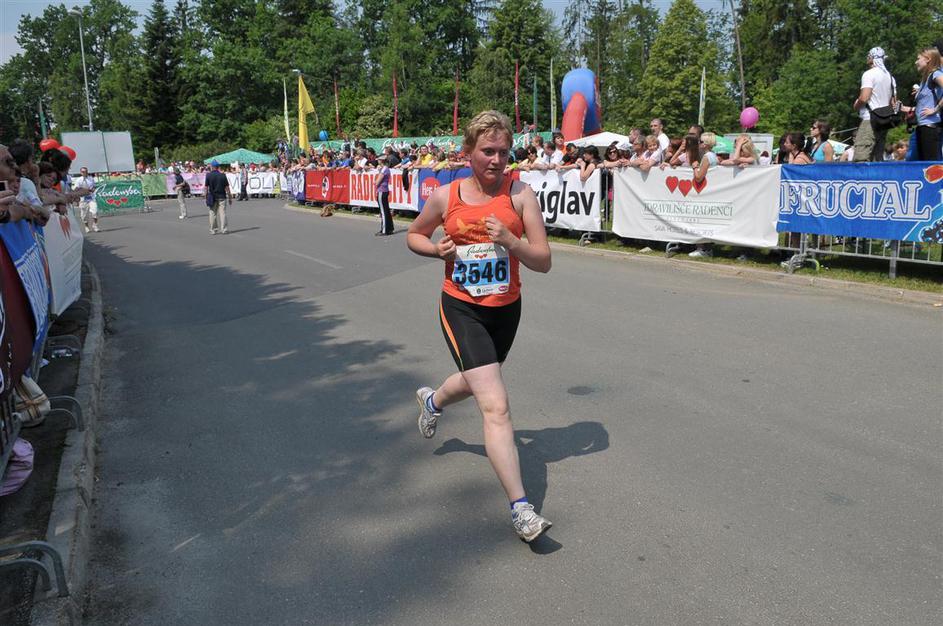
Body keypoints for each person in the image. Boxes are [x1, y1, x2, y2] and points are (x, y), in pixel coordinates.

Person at [406, 110, 553, 543]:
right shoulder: (445, 196)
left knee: (476, 381)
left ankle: (433, 400)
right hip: (461, 308)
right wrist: (436, 251)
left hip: (506, 309)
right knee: (496, 405)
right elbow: (414, 235)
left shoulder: (521, 195)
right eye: (488, 151)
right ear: (468, 151)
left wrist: (511, 241)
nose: (496, 160)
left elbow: (543, 260)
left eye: (504, 152)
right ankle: (522, 509)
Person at [853, 47, 897, 162]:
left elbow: (864, 97)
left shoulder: (869, 74)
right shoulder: (890, 77)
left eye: (868, 55)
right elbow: (893, 102)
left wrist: (856, 105)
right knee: (877, 157)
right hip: (883, 121)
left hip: (869, 119)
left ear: (872, 58)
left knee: (861, 156)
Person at [900, 47, 943, 161]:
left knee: (931, 164)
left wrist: (935, 109)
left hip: (930, 128)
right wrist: (906, 108)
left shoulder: (936, 74)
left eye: (918, 58)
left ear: (928, 59)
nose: (916, 62)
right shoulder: (926, 79)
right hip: (922, 127)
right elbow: (925, 104)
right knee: (922, 164)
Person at [204, 160, 231, 234]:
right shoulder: (223, 175)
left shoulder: (208, 175)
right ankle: (224, 229)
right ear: (218, 167)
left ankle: (213, 229)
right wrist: (230, 197)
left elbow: (206, 187)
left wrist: (205, 196)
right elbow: (227, 187)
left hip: (212, 197)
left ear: (212, 167)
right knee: (222, 213)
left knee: (212, 213)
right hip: (222, 196)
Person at [72, 166, 100, 232]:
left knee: (95, 211)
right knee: (84, 215)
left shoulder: (91, 178)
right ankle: (86, 226)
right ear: (81, 172)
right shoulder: (79, 180)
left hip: (91, 198)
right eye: (83, 172)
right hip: (83, 199)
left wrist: (92, 189)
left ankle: (95, 225)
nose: (84, 173)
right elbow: (76, 188)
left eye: (85, 171)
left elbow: (94, 186)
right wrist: (84, 191)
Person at [375, 156, 393, 236]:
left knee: (383, 211)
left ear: (381, 161)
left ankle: (384, 230)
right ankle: (390, 228)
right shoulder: (385, 169)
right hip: (384, 190)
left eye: (378, 160)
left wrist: (376, 180)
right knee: (386, 210)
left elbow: (377, 182)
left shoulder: (384, 169)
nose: (377, 161)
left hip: (382, 191)